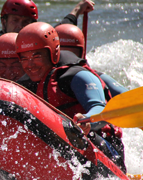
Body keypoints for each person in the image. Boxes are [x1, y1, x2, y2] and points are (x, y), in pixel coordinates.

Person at [14, 22, 126, 172]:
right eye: (24, 58)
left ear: (52, 53)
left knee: (80, 137)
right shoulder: (25, 84)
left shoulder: (77, 75)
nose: (30, 64)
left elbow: (100, 108)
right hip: (60, 149)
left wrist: (87, 121)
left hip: (101, 145)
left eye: (36, 56)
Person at [0, 0, 95, 71]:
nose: (20, 26)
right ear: (3, 22)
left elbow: (61, 27)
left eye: (26, 22)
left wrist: (78, 8)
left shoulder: (39, 39)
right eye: (15, 20)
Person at [55, 24, 128, 97]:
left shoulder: (95, 78)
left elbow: (127, 95)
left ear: (82, 54)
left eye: (73, 53)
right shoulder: (47, 78)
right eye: (62, 54)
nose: (68, 59)